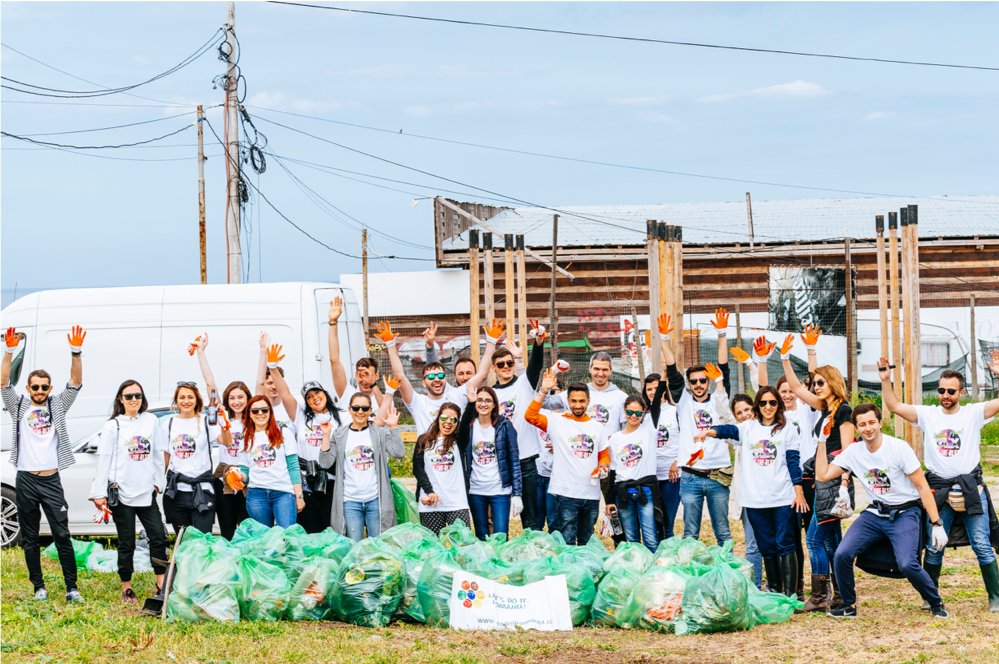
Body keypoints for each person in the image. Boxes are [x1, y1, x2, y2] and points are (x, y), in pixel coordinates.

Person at [878, 358, 999, 612]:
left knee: (981, 543)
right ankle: (929, 596)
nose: (945, 395)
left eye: (951, 391)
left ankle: (995, 598)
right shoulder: (928, 415)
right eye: (941, 390)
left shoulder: (973, 413)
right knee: (935, 545)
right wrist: (886, 379)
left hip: (970, 487)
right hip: (937, 490)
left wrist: (997, 375)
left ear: (961, 392)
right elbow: (893, 405)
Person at [816, 404, 950, 619]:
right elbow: (822, 475)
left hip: (905, 513)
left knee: (907, 563)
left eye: (871, 422)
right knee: (842, 554)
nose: (868, 428)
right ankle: (848, 606)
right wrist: (821, 441)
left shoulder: (898, 448)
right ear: (857, 428)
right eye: (862, 424)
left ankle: (935, 602)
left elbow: (922, 487)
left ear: (880, 423)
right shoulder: (854, 452)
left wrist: (936, 523)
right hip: (875, 513)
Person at [698, 386, 809, 598]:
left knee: (785, 543)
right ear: (758, 405)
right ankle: (775, 591)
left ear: (779, 405)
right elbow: (728, 431)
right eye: (763, 403)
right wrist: (710, 432)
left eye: (773, 403)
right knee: (766, 546)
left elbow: (793, 462)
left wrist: (798, 491)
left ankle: (790, 594)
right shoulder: (748, 428)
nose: (768, 407)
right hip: (755, 500)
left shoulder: (787, 429)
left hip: (782, 497)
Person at [2, 325, 85, 602]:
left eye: (44, 387)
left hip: (51, 480)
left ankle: (72, 588)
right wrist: (9, 351)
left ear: (50, 388)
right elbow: (3, 383)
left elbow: (74, 382)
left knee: (62, 534)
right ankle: (39, 587)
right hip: (26, 479)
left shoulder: (57, 405)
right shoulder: (19, 405)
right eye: (35, 387)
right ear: (28, 388)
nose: (40, 390)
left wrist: (76, 352)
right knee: (30, 536)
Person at [780, 334, 853, 606]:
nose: (816, 386)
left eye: (821, 383)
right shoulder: (825, 410)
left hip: (833, 484)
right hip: (822, 482)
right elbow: (798, 388)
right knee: (832, 541)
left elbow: (848, 452)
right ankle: (840, 592)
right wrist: (785, 358)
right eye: (816, 383)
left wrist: (843, 483)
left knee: (813, 540)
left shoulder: (844, 412)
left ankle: (821, 595)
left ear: (833, 383)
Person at [89, 380, 168, 603]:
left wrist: (157, 483)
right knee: (127, 542)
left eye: (138, 396)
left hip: (146, 491)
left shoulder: (151, 421)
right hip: (121, 491)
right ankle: (126, 586)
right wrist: (99, 493)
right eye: (129, 396)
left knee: (158, 537)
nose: (134, 400)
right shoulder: (113, 425)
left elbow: (158, 454)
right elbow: (104, 460)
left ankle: (161, 584)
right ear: (120, 400)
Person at [662, 313, 734, 545]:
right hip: (691, 477)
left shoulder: (719, 399)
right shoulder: (683, 401)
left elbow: (724, 368)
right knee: (690, 534)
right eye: (694, 381)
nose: (699, 385)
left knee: (722, 532)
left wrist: (722, 335)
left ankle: (728, 576)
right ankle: (688, 575)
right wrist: (664, 338)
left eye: (703, 381)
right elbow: (672, 372)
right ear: (689, 384)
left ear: (709, 382)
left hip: (717, 475)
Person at [526, 368, 611, 546]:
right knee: (567, 541)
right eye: (573, 401)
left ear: (588, 401)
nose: (578, 405)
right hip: (566, 494)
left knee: (587, 541)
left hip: (591, 494)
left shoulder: (598, 426)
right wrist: (543, 390)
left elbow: (603, 455)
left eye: (581, 401)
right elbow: (530, 415)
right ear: (567, 401)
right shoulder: (557, 421)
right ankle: (569, 574)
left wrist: (603, 467)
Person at [375, 318, 495, 436]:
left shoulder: (457, 396)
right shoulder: (417, 402)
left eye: (440, 375)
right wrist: (390, 345)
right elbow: (400, 376)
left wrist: (491, 342)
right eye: (431, 376)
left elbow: (482, 374)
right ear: (423, 382)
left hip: (453, 455)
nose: (436, 379)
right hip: (427, 454)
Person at [318, 392, 404, 540]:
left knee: (377, 546)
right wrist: (326, 436)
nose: (360, 412)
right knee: (354, 545)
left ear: (370, 410)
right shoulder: (340, 434)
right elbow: (325, 463)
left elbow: (398, 452)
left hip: (376, 499)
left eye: (364, 408)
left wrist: (393, 428)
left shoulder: (379, 433)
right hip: (350, 500)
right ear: (350, 409)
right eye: (356, 408)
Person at [488, 319, 547, 532]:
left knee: (532, 517)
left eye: (509, 363)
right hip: (501, 460)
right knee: (498, 515)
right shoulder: (490, 394)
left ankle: (534, 553)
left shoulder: (524, 384)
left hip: (526, 459)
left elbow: (536, 366)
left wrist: (538, 344)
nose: (506, 367)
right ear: (494, 368)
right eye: (501, 364)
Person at [190, 333, 249, 539]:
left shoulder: (255, 419)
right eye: (232, 397)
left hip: (249, 476)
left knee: (249, 528)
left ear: (248, 399)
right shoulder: (222, 417)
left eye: (241, 397)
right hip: (224, 475)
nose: (237, 401)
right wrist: (201, 353)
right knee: (227, 529)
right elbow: (210, 385)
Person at [227, 394, 304, 528]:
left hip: (283, 493)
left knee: (287, 537)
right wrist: (237, 475)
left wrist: (299, 496)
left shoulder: (283, 432)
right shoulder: (246, 439)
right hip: (257, 494)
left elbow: (293, 466)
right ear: (249, 414)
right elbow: (245, 473)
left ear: (270, 412)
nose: (260, 413)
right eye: (255, 411)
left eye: (264, 410)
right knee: (263, 540)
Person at [458, 384, 523, 540]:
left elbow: (514, 460)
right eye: (480, 400)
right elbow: (460, 440)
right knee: (481, 535)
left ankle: (500, 564)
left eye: (488, 400)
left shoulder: (504, 425)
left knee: (500, 535)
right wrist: (470, 403)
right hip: (476, 490)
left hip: (500, 491)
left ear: (494, 404)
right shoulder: (469, 425)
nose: (483, 404)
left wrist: (517, 494)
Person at [605, 394, 663, 553]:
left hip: (645, 491)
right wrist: (609, 500)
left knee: (650, 537)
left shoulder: (649, 430)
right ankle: (635, 571)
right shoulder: (615, 438)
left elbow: (656, 404)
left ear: (644, 413)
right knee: (631, 539)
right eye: (630, 412)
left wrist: (665, 374)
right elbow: (612, 471)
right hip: (623, 492)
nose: (633, 416)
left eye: (638, 413)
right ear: (624, 412)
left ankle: (653, 572)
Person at [161, 381, 217, 535]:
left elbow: (226, 441)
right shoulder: (169, 424)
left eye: (190, 397)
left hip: (203, 490)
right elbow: (165, 458)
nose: (186, 401)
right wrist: (158, 484)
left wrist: (225, 424)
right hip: (176, 492)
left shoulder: (206, 421)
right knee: (184, 541)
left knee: (203, 540)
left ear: (197, 400)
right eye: (182, 397)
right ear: (176, 400)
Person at [412, 403, 472, 534]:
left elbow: (467, 422)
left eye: (453, 419)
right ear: (438, 418)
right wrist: (429, 491)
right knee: (434, 547)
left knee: (462, 543)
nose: (448, 422)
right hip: (431, 503)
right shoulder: (424, 440)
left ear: (457, 423)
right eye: (444, 418)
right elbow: (418, 468)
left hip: (457, 503)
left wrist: (471, 404)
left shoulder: (459, 440)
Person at [725, 392, 764, 589]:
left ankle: (780, 585)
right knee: (752, 545)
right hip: (747, 498)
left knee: (775, 543)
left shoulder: (768, 429)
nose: (745, 414)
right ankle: (755, 586)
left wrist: (753, 365)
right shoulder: (740, 434)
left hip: (770, 497)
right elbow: (724, 420)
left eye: (747, 409)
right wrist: (721, 385)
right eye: (739, 412)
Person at [327, 296, 385, 419]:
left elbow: (386, 413)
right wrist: (333, 323)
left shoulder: (384, 399)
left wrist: (373, 385)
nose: (364, 380)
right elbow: (334, 360)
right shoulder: (348, 394)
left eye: (367, 374)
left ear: (377, 376)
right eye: (360, 375)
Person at [642, 373, 680, 541]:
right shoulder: (643, 415)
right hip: (651, 476)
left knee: (667, 521)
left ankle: (668, 558)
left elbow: (687, 439)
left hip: (672, 476)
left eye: (656, 388)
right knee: (653, 521)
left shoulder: (675, 411)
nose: (652, 392)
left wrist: (677, 462)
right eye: (649, 389)